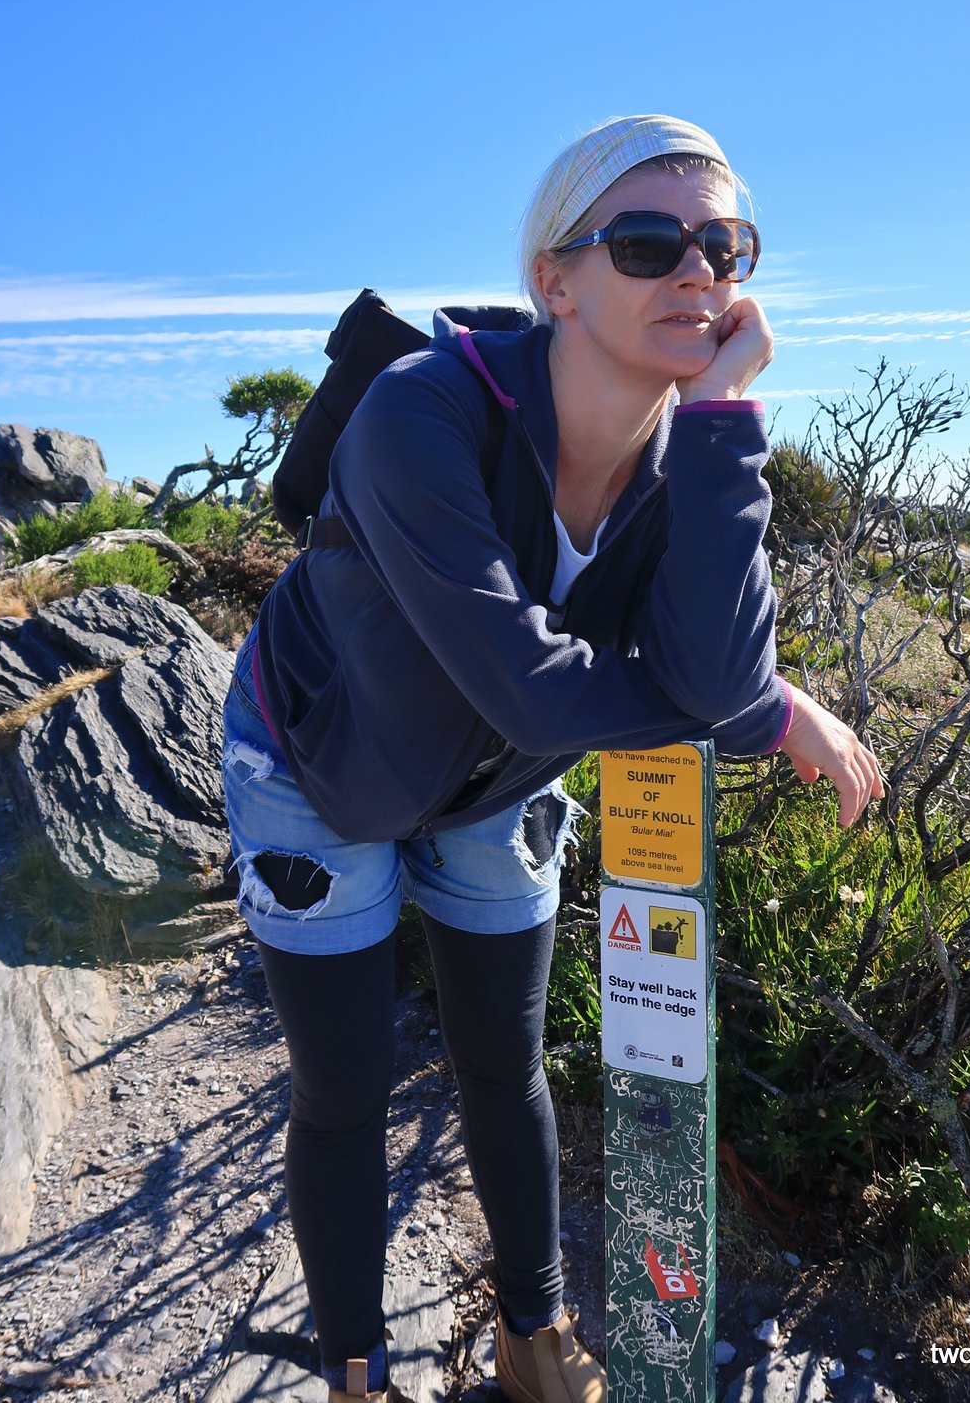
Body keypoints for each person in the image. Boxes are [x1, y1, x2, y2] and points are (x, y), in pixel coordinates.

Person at [220, 114, 884, 1403]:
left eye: (724, 245)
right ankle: (353, 1370)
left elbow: (704, 664)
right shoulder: (423, 414)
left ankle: (534, 1341)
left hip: (498, 786)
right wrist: (742, 714)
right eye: (647, 243)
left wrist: (727, 413)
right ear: (556, 280)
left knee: (503, 1064)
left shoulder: (690, 447)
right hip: (319, 764)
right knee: (347, 1086)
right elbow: (533, 687)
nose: (697, 273)